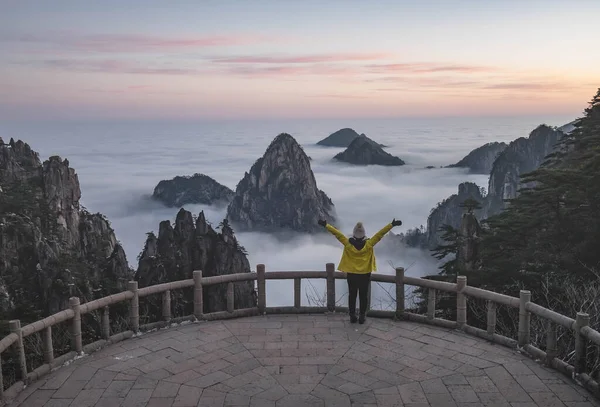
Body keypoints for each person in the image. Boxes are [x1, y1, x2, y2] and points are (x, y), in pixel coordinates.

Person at [318, 218, 402, 324]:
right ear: (364, 234)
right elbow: (380, 234)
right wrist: (391, 225)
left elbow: (337, 234)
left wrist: (326, 225)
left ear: (353, 234)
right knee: (363, 296)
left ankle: (352, 316)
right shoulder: (369, 244)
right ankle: (362, 316)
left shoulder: (348, 243)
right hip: (365, 274)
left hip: (352, 274)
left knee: (352, 295)